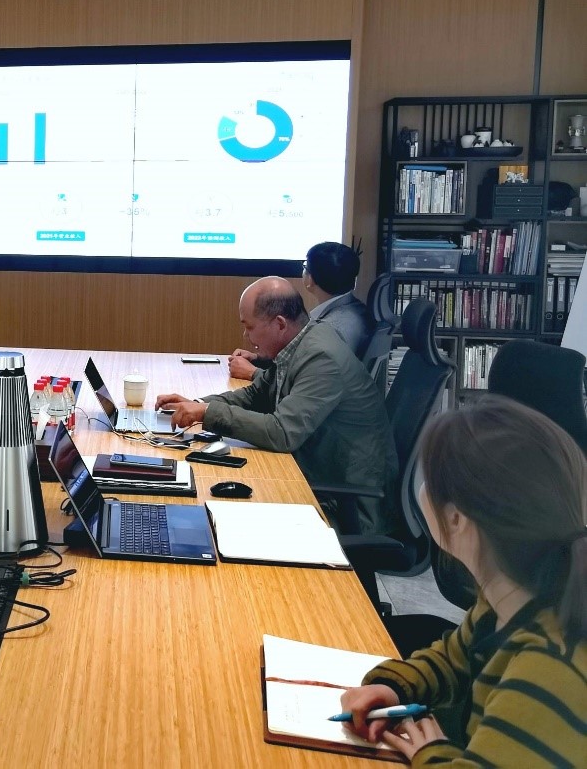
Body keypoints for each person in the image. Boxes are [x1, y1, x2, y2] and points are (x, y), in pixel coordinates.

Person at [339, 397, 586, 765]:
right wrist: (393, 687)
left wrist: (431, 754)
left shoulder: (548, 671)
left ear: (456, 519)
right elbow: (454, 660)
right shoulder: (510, 597)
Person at [157, 276, 398, 535]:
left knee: (216, 521)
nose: (246, 336)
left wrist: (208, 413)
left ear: (280, 324)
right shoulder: (300, 343)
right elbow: (256, 395)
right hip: (315, 475)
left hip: (347, 506)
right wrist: (197, 405)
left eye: (249, 327)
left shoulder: (322, 357)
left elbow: (282, 432)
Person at [229, 242, 374, 380]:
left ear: (311, 280)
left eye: (305, 266)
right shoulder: (354, 311)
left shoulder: (333, 329)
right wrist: (259, 359)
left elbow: (311, 377)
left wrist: (253, 373)